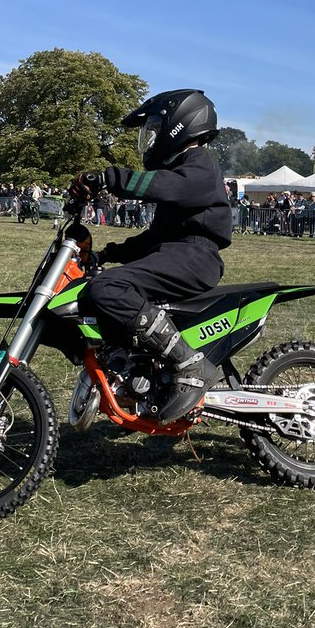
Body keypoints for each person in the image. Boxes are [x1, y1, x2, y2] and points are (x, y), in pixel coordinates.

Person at [69, 89, 231, 424]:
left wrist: (109, 178)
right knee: (102, 287)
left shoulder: (198, 164)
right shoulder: (183, 170)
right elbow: (154, 238)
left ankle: (190, 365)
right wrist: (107, 254)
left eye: (155, 128)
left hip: (195, 256)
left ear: (179, 124)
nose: (151, 137)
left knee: (107, 289)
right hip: (177, 252)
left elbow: (164, 186)